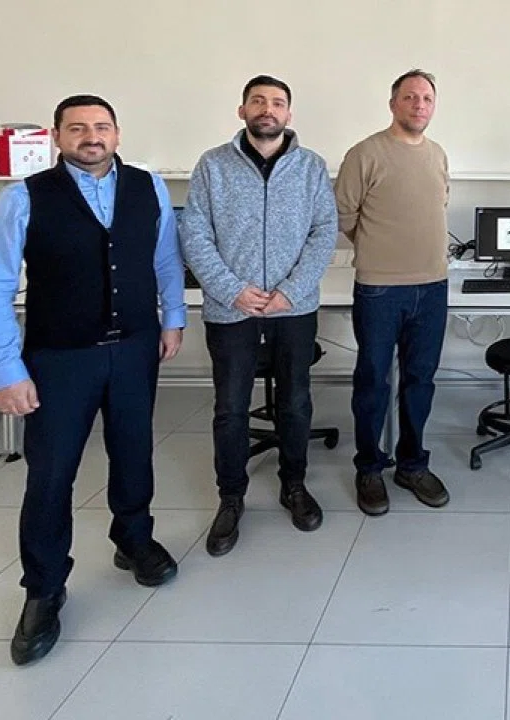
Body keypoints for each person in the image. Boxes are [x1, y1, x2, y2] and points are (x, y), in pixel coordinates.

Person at [0, 95, 185, 666]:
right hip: (61, 357)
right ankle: (44, 588)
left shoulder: (149, 187)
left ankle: (133, 539)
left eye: (102, 126)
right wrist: (6, 368)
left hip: (135, 348)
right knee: (51, 474)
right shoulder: (24, 197)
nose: (92, 136)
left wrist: (173, 318)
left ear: (117, 133)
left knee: (134, 451)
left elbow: (164, 260)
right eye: (78, 128)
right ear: (58, 137)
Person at [181, 75, 337, 556]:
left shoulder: (311, 167)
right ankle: (231, 497)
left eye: (278, 102)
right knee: (230, 408)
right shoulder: (212, 166)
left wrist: (291, 291)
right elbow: (194, 234)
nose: (268, 109)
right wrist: (232, 290)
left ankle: (294, 485)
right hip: (232, 309)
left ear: (289, 114)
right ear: (242, 110)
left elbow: (324, 232)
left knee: (296, 402)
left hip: (293, 308)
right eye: (258, 101)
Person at [333, 69, 450, 516]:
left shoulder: (437, 154)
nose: (419, 105)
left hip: (432, 287)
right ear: (393, 104)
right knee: (373, 381)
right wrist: (378, 247)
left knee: (421, 381)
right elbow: (344, 215)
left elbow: (438, 204)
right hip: (380, 288)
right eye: (410, 97)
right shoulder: (365, 154)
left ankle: (412, 464)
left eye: (427, 98)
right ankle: (369, 468)